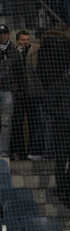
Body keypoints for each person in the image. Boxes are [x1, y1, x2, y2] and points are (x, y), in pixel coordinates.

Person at [44, 60, 70, 209]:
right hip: (62, 128)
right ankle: (62, 190)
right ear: (69, 71)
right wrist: (63, 114)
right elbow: (47, 106)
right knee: (61, 161)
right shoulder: (58, 85)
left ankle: (69, 189)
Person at [0, 25, 25, 159]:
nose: (2, 36)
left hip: (8, 91)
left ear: (8, 35)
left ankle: (3, 151)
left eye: (4, 33)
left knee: (6, 122)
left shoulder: (14, 52)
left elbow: (21, 72)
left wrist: (19, 86)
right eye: (0, 34)